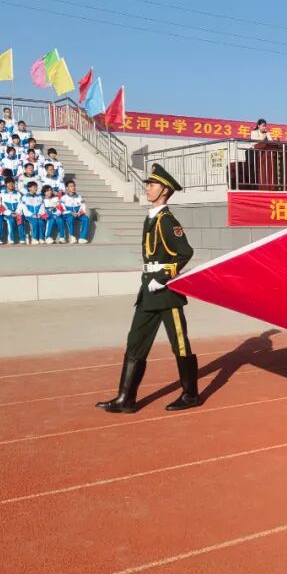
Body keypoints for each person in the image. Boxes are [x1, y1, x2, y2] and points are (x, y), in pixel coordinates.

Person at [97, 164, 198, 413]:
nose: (148, 188)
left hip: (167, 293)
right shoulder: (151, 217)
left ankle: (190, 394)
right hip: (148, 291)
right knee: (135, 341)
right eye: (149, 184)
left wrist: (162, 277)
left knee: (179, 344)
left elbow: (185, 252)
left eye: (152, 185)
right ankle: (126, 398)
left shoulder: (167, 221)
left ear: (164, 190)